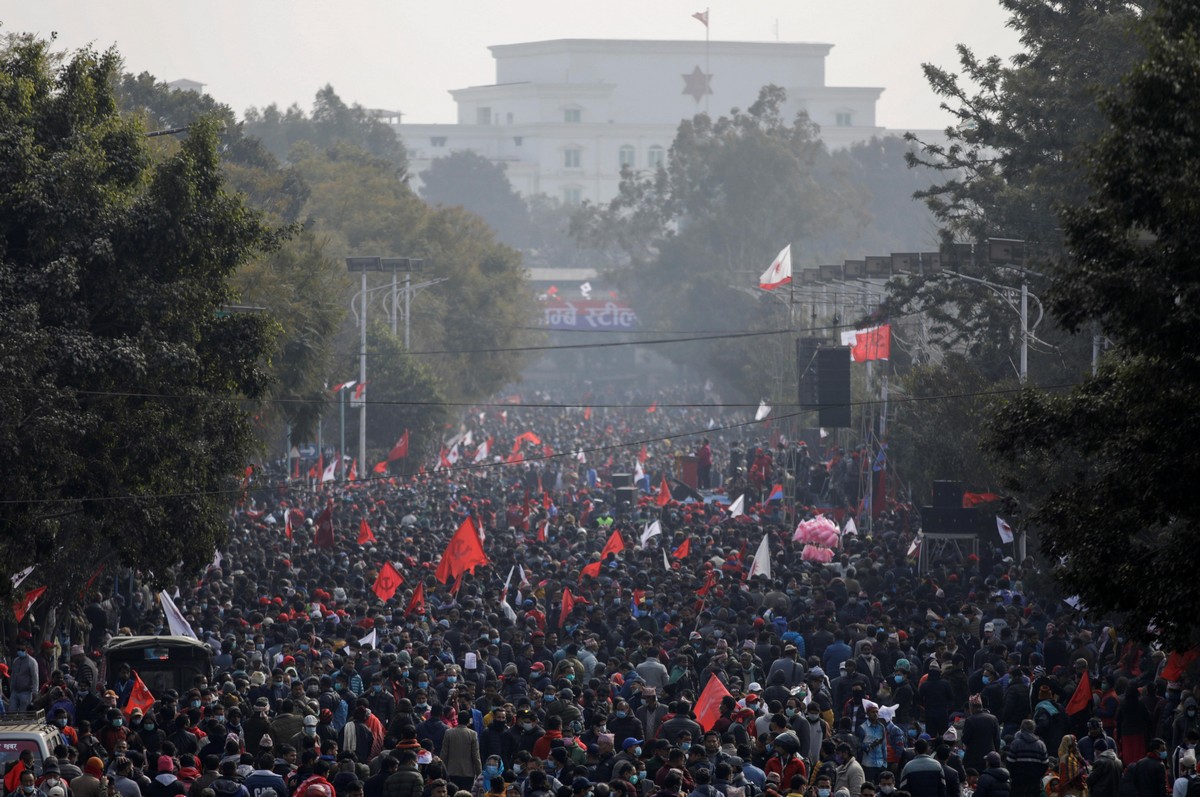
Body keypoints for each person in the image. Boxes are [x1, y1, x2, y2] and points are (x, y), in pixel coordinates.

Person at [1004, 721, 1046, 797]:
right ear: (1034, 729)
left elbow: (1010, 762)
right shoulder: (1040, 745)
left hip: (1018, 781)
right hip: (1034, 782)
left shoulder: (1015, 743)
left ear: (1021, 729)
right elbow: (1045, 764)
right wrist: (1037, 775)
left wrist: (1014, 775)